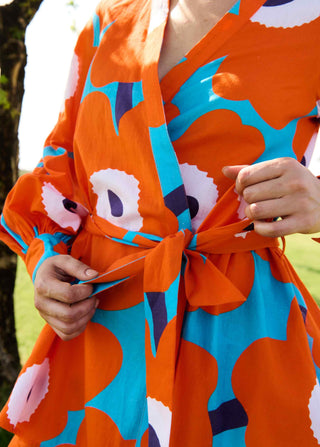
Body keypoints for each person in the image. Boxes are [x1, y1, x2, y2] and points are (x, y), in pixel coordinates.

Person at [1, 0, 320, 445]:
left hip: (241, 333)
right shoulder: (107, 25)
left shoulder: (309, 23)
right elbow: (62, 165)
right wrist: (45, 260)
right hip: (104, 330)